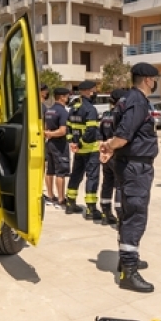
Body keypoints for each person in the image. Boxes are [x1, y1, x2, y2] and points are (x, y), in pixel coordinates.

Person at [99, 62, 159, 293]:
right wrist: (110, 146)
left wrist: (110, 146)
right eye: (155, 78)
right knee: (134, 216)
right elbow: (123, 136)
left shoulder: (126, 99)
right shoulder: (137, 101)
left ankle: (126, 259)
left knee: (127, 213)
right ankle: (129, 272)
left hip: (130, 166)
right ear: (147, 79)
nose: (155, 82)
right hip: (136, 168)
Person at [66, 80, 102, 219]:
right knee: (92, 177)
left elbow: (68, 126)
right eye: (93, 90)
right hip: (90, 149)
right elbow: (91, 131)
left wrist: (72, 142)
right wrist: (80, 143)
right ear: (86, 91)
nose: (94, 93)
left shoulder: (74, 107)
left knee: (75, 175)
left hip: (77, 150)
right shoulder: (90, 109)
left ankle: (70, 204)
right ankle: (91, 209)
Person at [98, 88, 128, 226]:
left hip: (106, 155)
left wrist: (103, 150)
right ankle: (120, 215)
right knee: (120, 185)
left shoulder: (105, 115)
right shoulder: (121, 115)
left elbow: (100, 135)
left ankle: (105, 213)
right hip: (116, 155)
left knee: (107, 183)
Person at [44, 87, 71, 208]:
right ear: (62, 97)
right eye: (67, 96)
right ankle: (61, 200)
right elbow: (62, 131)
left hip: (49, 144)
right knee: (61, 173)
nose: (68, 98)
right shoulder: (63, 112)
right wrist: (51, 134)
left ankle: (50, 196)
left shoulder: (49, 111)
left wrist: (48, 134)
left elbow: (45, 127)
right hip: (59, 144)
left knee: (50, 170)